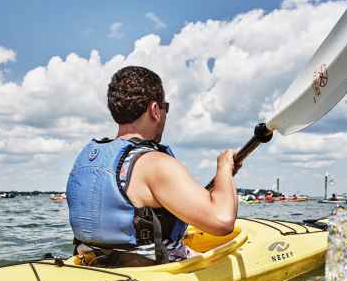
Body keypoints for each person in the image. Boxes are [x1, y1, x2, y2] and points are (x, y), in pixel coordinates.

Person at [66, 66, 238, 266]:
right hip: (150, 274)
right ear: (155, 110)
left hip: (93, 265)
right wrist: (224, 168)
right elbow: (222, 221)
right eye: (165, 107)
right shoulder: (155, 163)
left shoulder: (89, 159)